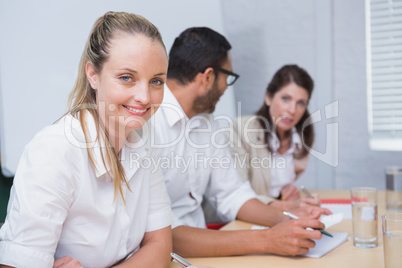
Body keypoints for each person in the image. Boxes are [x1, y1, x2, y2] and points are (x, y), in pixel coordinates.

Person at [0, 11, 174, 268]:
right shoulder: (55, 150)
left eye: (156, 81)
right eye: (127, 78)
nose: (145, 97)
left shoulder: (141, 142)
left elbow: (160, 247)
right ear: (93, 74)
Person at [150, 27, 331, 258]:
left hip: (202, 252)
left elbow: (231, 193)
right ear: (208, 77)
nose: (226, 87)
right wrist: (268, 240)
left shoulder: (207, 123)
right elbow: (162, 237)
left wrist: (290, 218)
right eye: (228, 77)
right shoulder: (145, 123)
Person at [230, 65, 321, 211]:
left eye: (300, 103)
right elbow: (236, 194)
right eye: (286, 98)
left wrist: (285, 195)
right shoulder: (240, 130)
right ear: (268, 97)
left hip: (273, 219)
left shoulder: (300, 138)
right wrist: (288, 206)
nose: (292, 110)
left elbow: (270, 189)